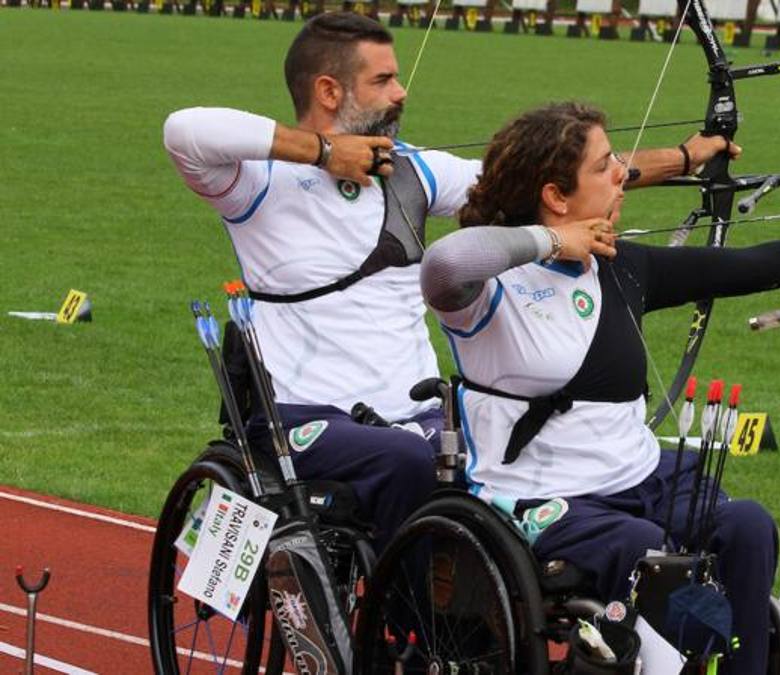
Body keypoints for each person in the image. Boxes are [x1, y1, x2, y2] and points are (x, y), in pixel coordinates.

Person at [162, 12, 736, 550]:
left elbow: (539, 182)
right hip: (302, 414)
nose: (400, 92)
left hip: (415, 412)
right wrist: (322, 152)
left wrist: (687, 157)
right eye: (383, 79)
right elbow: (184, 130)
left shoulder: (410, 170)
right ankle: (417, 635)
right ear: (329, 92)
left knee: (510, 463)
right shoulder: (257, 183)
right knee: (410, 464)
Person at [419, 101, 780, 674]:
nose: (622, 174)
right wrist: (553, 243)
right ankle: (702, 645)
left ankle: (740, 662)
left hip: (640, 476)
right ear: (555, 195)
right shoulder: (490, 287)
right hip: (539, 498)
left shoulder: (624, 265)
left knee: (747, 526)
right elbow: (445, 263)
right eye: (605, 167)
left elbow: (757, 264)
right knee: (649, 555)